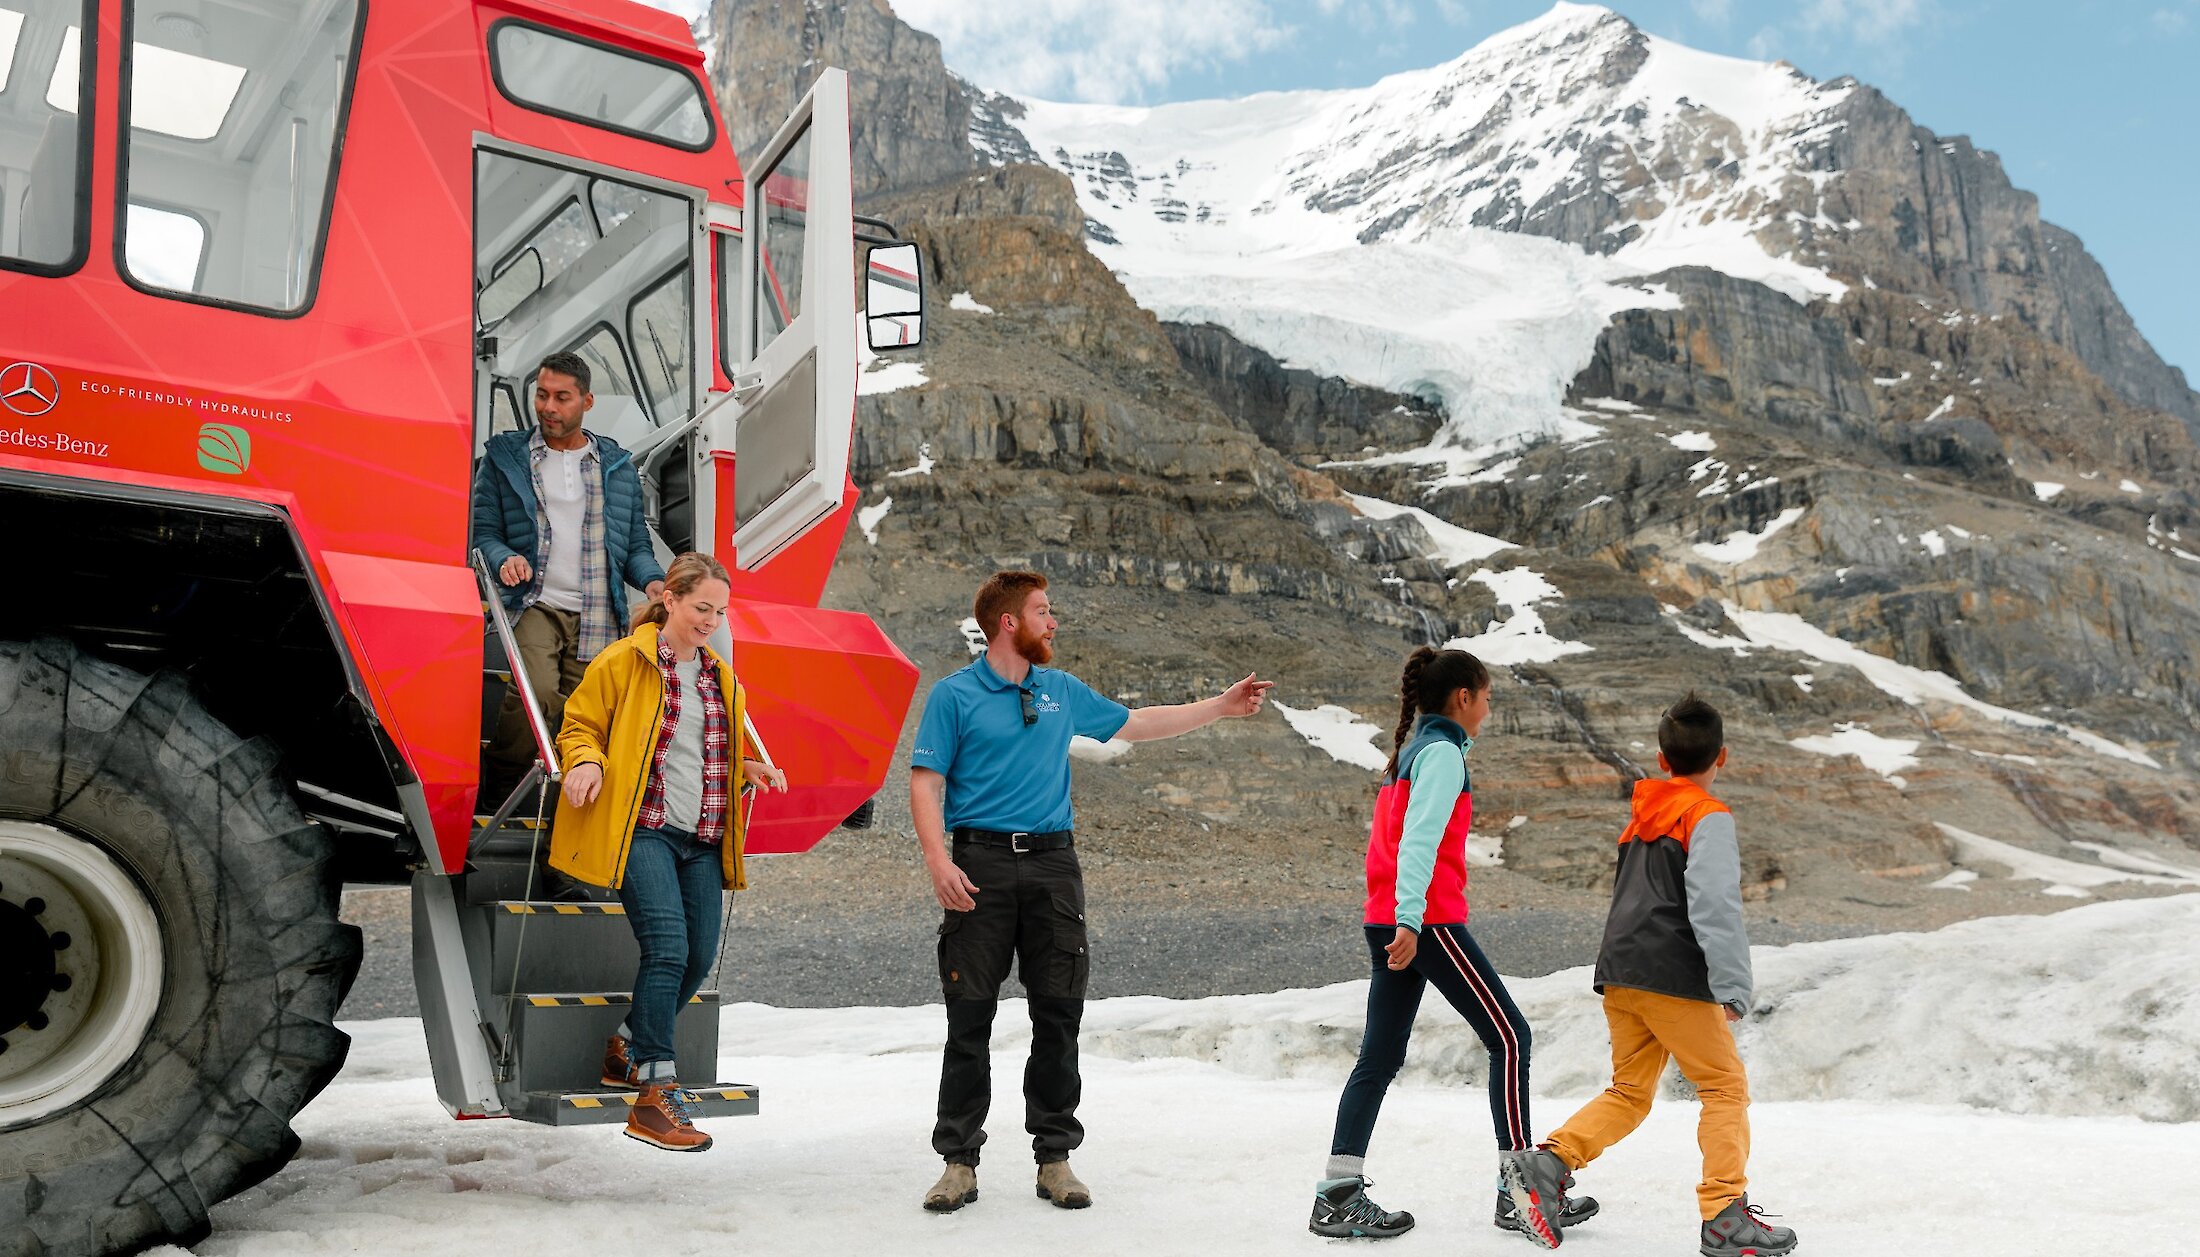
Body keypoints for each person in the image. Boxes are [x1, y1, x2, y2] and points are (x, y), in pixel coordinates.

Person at [911, 570, 1274, 1213]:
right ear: (1009, 623)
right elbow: (925, 782)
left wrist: (1219, 706)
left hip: (1053, 869)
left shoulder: (1061, 690)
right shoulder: (955, 696)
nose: (1053, 622)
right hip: (979, 866)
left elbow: (1136, 723)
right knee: (969, 1019)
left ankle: (1054, 1158)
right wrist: (938, 860)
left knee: (1058, 1017)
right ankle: (958, 1165)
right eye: (1043, 612)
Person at [1309, 647, 1593, 1248]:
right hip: (1425, 922)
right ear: (1463, 697)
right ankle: (1520, 1194)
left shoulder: (1412, 753)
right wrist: (1412, 922)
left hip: (1392, 917)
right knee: (1511, 1038)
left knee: (1379, 1058)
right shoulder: (1439, 754)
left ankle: (1336, 1195)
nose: (1488, 709)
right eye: (1486, 697)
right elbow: (1418, 842)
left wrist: (1395, 919)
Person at [1521, 693, 1798, 1257]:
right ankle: (1725, 1215)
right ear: (1723, 757)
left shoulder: (1638, 818)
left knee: (1629, 1091)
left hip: (1621, 971)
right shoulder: (1707, 815)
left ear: (1661, 758)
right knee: (1723, 1087)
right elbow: (1715, 907)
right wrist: (1733, 986)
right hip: (1674, 974)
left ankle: (1549, 1163)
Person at [548, 551, 786, 1152]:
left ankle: (625, 1045)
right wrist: (584, 762)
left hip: (701, 837)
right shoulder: (625, 661)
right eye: (702, 606)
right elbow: (580, 724)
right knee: (668, 948)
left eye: (720, 611)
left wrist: (749, 766)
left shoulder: (719, 676)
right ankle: (655, 1093)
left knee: (698, 955)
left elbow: (705, 754)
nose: (710, 620)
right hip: (645, 829)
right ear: (672, 600)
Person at [473, 350, 665, 802]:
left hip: (600, 613)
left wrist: (654, 581)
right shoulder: (505, 458)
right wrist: (504, 559)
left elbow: (634, 544)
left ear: (587, 401)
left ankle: (564, 810)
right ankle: (500, 791)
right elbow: (482, 533)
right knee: (536, 695)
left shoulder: (616, 467)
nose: (548, 408)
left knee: (588, 714)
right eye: (541, 395)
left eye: (562, 398)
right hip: (536, 602)